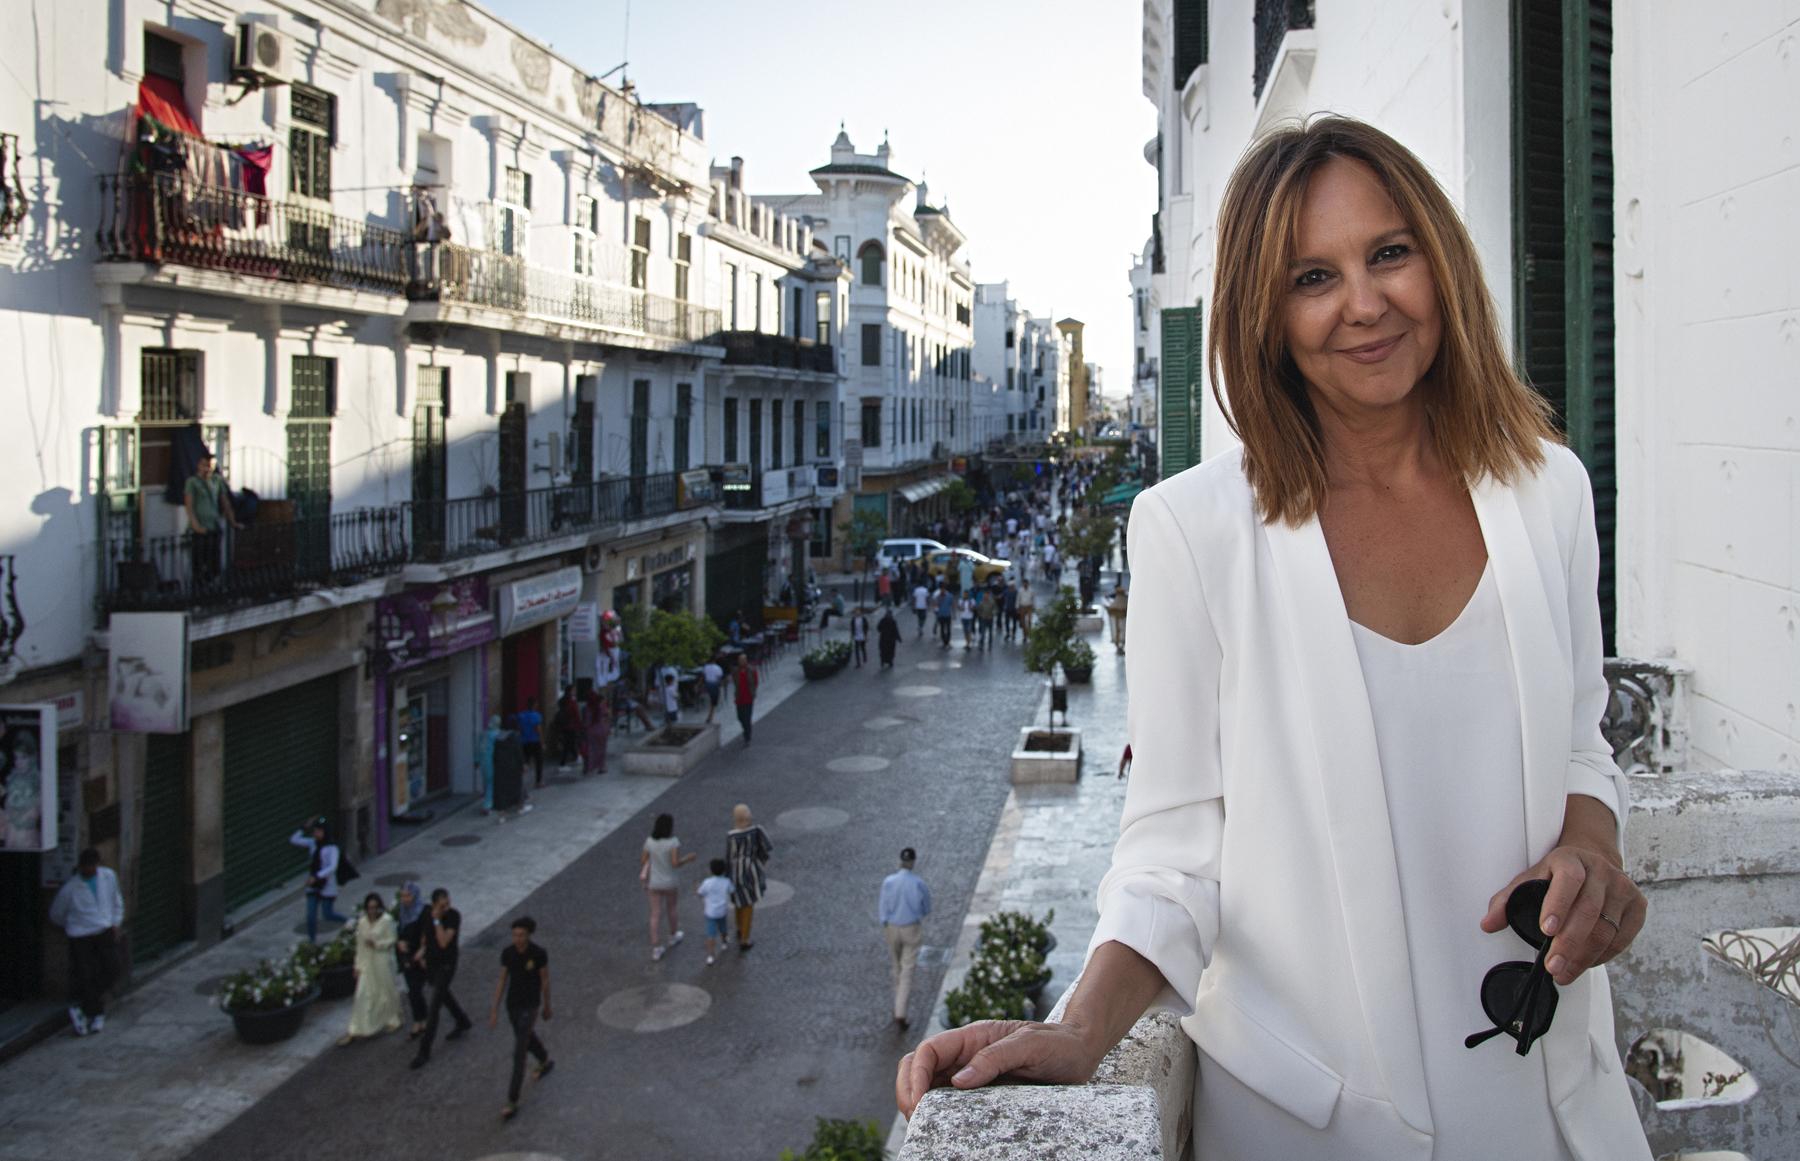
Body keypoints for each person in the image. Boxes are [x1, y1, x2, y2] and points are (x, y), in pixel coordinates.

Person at [896, 117, 1652, 1161]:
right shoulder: (1190, 532)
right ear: (1266, 314)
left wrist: (1591, 848)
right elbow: (1173, 846)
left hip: (1550, 1104)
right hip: (1311, 1125)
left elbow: (1580, 743)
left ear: (1441, 261)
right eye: (1312, 276)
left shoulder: (1548, 491)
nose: (1365, 302)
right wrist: (1079, 1028)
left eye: (1390, 252)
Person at [47, 848, 123, 1036]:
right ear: (81, 867)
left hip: (104, 930)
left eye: (93, 866)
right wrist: (74, 925)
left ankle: (85, 1005)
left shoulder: (108, 877)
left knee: (113, 968)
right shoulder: (70, 889)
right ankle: (94, 1013)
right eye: (87, 866)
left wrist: (115, 922)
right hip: (81, 936)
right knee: (86, 974)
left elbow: (116, 900)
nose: (91, 869)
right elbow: (56, 914)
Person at [489, 916, 553, 1121]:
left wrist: (547, 1005)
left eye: (521, 935)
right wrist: (495, 1008)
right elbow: (502, 980)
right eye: (515, 935)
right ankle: (543, 1058)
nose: (518, 939)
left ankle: (512, 1099)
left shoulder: (538, 954)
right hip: (513, 1005)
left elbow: (544, 979)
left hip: (530, 1005)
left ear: (529, 935)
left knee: (519, 1051)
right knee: (525, 1036)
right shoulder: (508, 953)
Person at [410, 887, 473, 1068]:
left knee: (435, 1007)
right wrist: (422, 952)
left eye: (447, 902)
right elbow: (426, 937)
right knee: (443, 994)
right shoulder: (427, 915)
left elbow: (444, 942)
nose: (446, 907)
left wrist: (438, 920)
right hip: (432, 964)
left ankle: (424, 1051)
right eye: (441, 904)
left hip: (446, 965)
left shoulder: (453, 916)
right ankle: (462, 1020)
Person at [878, 847, 932, 1032]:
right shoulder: (918, 883)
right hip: (910, 928)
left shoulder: (889, 882)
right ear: (913, 862)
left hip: (892, 928)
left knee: (896, 967)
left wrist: (886, 921)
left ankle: (896, 1004)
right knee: (908, 969)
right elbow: (926, 907)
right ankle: (900, 1011)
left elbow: (883, 907)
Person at [340, 892, 402, 1045]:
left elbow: (392, 939)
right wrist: (357, 966)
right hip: (367, 962)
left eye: (375, 908)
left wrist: (378, 944)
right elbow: (359, 946)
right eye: (369, 908)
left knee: (385, 991)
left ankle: (392, 1019)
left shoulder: (387, 920)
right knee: (362, 993)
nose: (372, 911)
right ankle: (355, 1029)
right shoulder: (362, 923)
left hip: (382, 960)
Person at [641, 812, 695, 960]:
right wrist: (687, 859)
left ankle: (656, 947)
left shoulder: (649, 841)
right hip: (670, 882)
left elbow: (643, 859)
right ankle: (673, 935)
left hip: (654, 882)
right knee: (671, 908)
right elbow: (675, 863)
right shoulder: (673, 842)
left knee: (655, 914)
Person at [183, 452, 240, 586]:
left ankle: (212, 586)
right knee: (199, 561)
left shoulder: (216, 481)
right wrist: (196, 526)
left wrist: (233, 521)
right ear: (199, 466)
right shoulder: (192, 482)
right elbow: (189, 507)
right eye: (204, 465)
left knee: (214, 561)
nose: (207, 469)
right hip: (200, 529)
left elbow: (225, 502)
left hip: (213, 526)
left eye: (210, 466)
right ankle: (199, 589)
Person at [288, 817, 347, 943]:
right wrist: (304, 827)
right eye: (314, 831)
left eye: (318, 831)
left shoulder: (332, 848)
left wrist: (317, 876)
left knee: (328, 914)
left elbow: (332, 866)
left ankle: (350, 922)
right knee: (311, 916)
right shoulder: (312, 843)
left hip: (327, 885)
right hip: (313, 886)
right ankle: (312, 942)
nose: (316, 834)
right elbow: (294, 840)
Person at [724, 803, 773, 952]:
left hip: (735, 871)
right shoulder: (757, 831)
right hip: (751, 871)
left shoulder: (731, 836)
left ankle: (739, 927)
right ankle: (745, 938)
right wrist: (760, 862)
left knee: (738, 901)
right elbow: (766, 848)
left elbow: (728, 856)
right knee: (749, 904)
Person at [393, 880, 430, 1037]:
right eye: (403, 896)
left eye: (408, 896)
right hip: (407, 956)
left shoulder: (424, 911)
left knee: (416, 989)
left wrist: (423, 949)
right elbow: (399, 932)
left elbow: (428, 932)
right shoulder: (402, 912)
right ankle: (420, 1019)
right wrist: (399, 943)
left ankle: (423, 1019)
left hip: (420, 956)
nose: (405, 899)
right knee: (412, 990)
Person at [696, 858, 734, 966]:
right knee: (723, 927)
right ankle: (724, 942)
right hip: (722, 911)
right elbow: (732, 890)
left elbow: (700, 893)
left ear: (711, 870)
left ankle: (711, 955)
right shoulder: (726, 881)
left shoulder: (707, 882)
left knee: (711, 934)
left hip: (710, 912)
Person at [477, 715, 504, 811]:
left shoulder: (483, 734)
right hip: (492, 761)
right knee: (491, 783)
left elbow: (478, 748)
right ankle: (487, 805)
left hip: (483, 762)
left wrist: (476, 761)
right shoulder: (497, 734)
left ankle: (488, 801)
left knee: (487, 783)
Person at [516, 697, 545, 788]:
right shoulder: (536, 715)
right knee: (539, 761)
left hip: (524, 741)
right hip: (535, 741)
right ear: (534, 705)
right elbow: (538, 729)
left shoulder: (521, 715)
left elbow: (519, 729)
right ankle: (538, 781)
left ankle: (520, 782)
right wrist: (542, 742)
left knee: (525, 761)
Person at [581, 688, 611, 775]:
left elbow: (585, 721)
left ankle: (588, 768)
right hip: (601, 729)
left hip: (590, 731)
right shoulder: (600, 707)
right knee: (601, 749)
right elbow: (607, 716)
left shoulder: (585, 708)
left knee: (590, 749)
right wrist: (608, 727)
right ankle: (601, 767)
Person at [732, 654, 759, 746]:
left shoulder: (751, 670)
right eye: (740, 660)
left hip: (748, 698)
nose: (741, 662)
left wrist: (753, 692)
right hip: (739, 697)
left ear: (746, 661)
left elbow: (755, 682)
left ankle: (747, 736)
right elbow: (735, 681)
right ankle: (746, 730)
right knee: (740, 717)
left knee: (747, 718)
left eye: (743, 660)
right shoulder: (736, 671)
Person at [553, 687, 582, 768]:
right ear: (570, 691)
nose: (575, 692)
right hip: (571, 725)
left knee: (569, 743)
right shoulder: (572, 702)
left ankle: (575, 757)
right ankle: (563, 763)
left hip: (563, 725)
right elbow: (576, 714)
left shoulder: (562, 701)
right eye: (573, 690)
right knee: (569, 744)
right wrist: (579, 725)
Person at [1105, 585, 1130, 654]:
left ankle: (1121, 646)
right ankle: (1120, 646)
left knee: (1122, 631)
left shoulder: (1121, 601)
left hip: (1123, 626)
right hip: (1119, 626)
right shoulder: (1120, 601)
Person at [701, 656, 725, 723]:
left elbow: (703, 676)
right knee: (713, 701)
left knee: (711, 700)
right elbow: (719, 678)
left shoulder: (706, 667)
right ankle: (710, 715)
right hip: (714, 684)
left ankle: (710, 715)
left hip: (707, 684)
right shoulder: (718, 668)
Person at [934, 585, 955, 650]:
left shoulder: (949, 596)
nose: (942, 591)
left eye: (943, 589)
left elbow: (952, 604)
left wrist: (954, 614)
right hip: (941, 615)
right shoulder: (938, 597)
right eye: (941, 589)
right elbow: (936, 605)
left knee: (948, 629)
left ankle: (947, 642)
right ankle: (944, 642)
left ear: (945, 590)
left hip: (947, 615)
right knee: (942, 629)